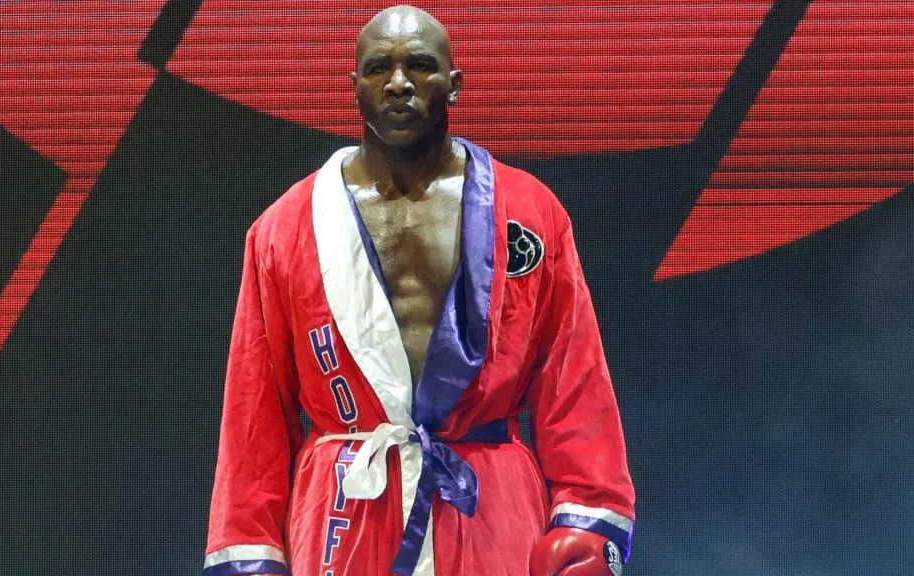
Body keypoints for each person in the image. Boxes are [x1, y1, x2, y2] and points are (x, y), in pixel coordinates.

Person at [203, 5, 635, 576]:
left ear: (454, 84)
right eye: (379, 67)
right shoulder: (285, 228)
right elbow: (254, 410)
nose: (399, 83)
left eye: (420, 65)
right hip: (345, 509)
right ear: (355, 86)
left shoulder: (529, 212)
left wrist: (589, 518)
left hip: (490, 503)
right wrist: (248, 551)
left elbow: (574, 379)